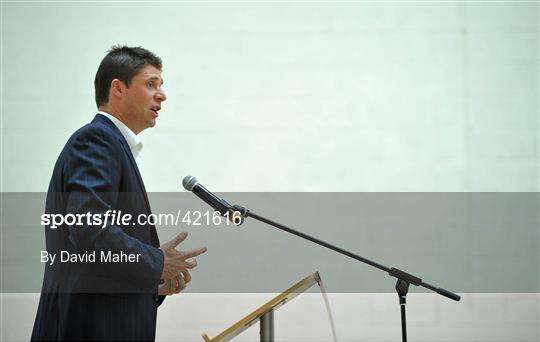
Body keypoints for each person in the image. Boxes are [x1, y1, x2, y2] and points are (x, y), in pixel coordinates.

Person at [31, 46, 207, 341]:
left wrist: (153, 282)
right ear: (118, 89)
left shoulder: (113, 145)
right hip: (89, 328)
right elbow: (89, 229)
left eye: (161, 86)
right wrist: (157, 262)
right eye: (150, 84)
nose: (161, 95)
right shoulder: (96, 140)